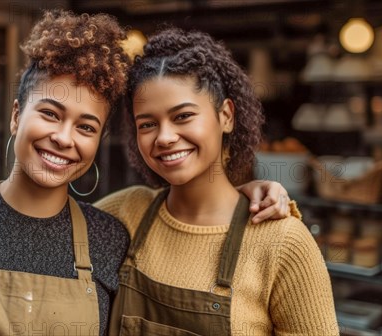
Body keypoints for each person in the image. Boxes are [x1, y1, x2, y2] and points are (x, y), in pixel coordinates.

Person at [0, 10, 292, 336]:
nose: (63, 137)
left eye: (86, 127)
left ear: (97, 143)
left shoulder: (112, 235)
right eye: (50, 114)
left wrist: (251, 191)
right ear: (16, 115)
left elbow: (196, 221)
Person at [95, 28, 339, 335]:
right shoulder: (126, 213)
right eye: (148, 124)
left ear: (226, 116)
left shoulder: (281, 242)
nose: (165, 137)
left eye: (183, 116)